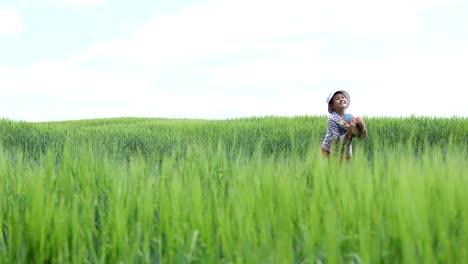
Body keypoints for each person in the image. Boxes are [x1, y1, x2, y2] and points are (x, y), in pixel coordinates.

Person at [321, 90, 367, 160]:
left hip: (346, 154)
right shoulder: (332, 120)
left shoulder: (350, 118)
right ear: (331, 106)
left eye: (343, 97)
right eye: (337, 98)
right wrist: (349, 131)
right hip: (330, 152)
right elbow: (338, 143)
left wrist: (362, 125)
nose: (341, 99)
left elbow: (361, 137)